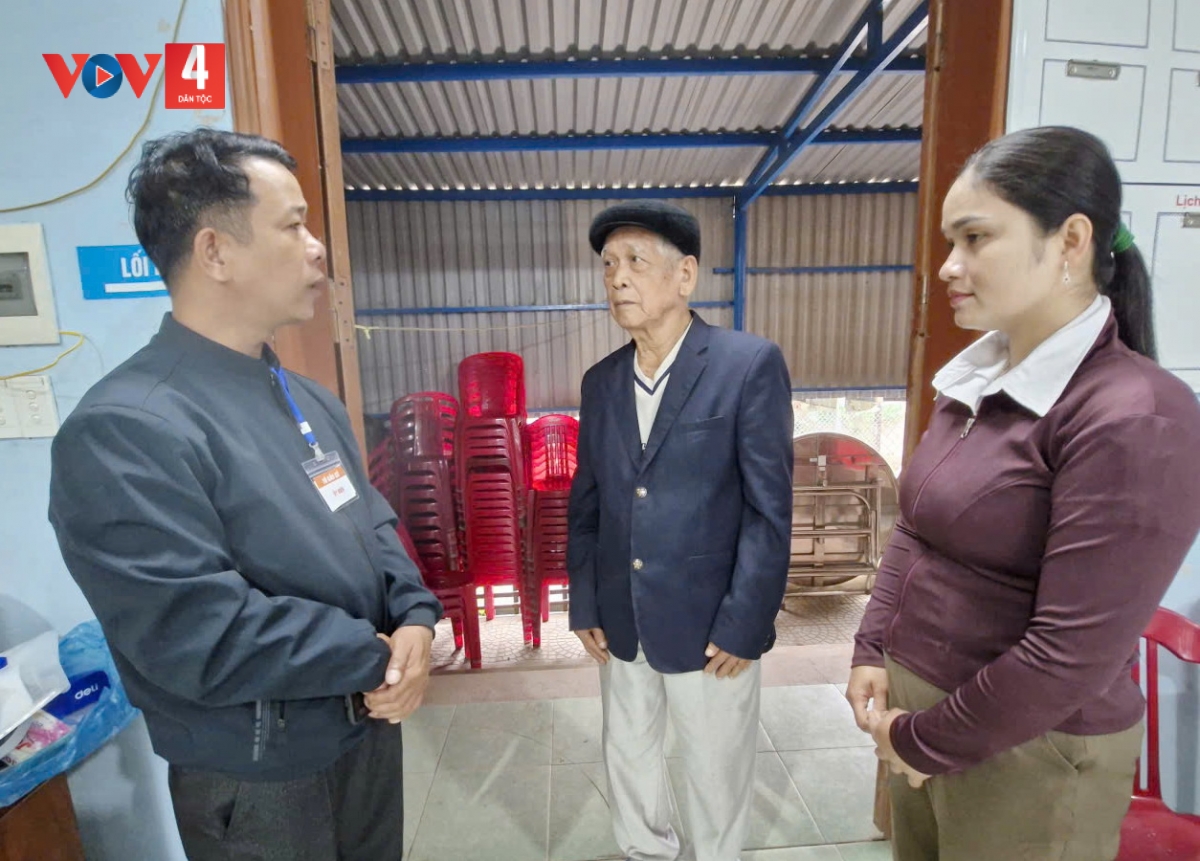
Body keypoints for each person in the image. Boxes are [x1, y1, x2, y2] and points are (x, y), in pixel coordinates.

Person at [48, 128, 442, 861]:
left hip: (363, 731)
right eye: (293, 226)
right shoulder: (127, 427)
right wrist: (375, 652)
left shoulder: (307, 400)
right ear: (215, 252)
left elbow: (372, 525)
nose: (317, 249)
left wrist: (415, 619)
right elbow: (196, 629)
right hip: (260, 771)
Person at [847, 125, 1200, 861]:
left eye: (976, 238)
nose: (949, 266)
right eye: (951, 241)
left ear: (1070, 240)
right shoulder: (977, 380)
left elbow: (1069, 653)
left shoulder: (1136, 415)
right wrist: (872, 644)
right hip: (922, 720)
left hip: (1029, 752)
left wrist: (923, 740)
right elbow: (916, 524)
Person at [567, 200, 795, 861]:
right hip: (622, 616)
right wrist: (584, 600)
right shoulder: (602, 382)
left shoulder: (746, 365)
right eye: (609, 264)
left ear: (686, 275)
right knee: (628, 756)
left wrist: (747, 620)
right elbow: (588, 502)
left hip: (711, 624)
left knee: (714, 769)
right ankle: (645, 851)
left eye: (636, 261)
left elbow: (769, 509)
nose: (617, 277)